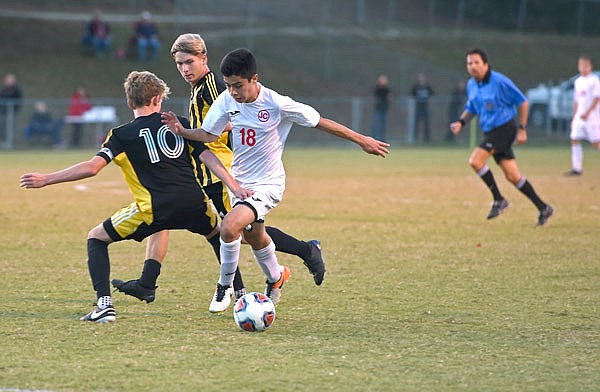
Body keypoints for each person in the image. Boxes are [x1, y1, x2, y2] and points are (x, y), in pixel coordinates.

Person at [161, 48, 389, 310]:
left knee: (228, 227)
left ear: (254, 79)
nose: (233, 92)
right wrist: (183, 131)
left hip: (268, 184)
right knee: (256, 238)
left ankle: (225, 287)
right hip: (240, 183)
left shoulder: (277, 103)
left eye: (238, 85)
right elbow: (209, 135)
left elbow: (320, 122)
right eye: (228, 85)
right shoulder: (226, 100)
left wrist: (362, 140)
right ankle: (277, 277)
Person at [113, 33, 326, 313]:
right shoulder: (199, 88)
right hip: (207, 171)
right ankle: (151, 282)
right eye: (179, 64)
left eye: (189, 62)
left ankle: (297, 255)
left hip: (223, 169)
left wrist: (197, 130)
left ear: (203, 59)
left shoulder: (215, 87)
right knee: (223, 228)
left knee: (239, 230)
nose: (184, 69)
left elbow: (230, 120)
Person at [20, 70, 252, 323]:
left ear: (130, 102)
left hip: (155, 207)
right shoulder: (178, 122)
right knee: (219, 237)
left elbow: (92, 167)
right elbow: (208, 157)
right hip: (194, 202)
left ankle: (105, 305)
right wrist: (235, 186)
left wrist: (46, 179)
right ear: (156, 99)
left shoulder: (121, 135)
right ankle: (240, 294)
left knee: (96, 238)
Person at [449, 48, 554, 226]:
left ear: (486, 65)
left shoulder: (500, 82)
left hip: (505, 129)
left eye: (476, 62)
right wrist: (461, 122)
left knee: (475, 161)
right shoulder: (471, 84)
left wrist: (522, 128)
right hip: (491, 132)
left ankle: (499, 200)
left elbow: (522, 101)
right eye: (469, 63)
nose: (473, 66)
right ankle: (544, 208)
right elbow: (472, 107)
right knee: (513, 176)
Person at [565, 54, 600, 176]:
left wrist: (588, 113)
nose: (583, 68)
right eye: (581, 65)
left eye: (585, 65)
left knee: (596, 143)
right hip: (579, 117)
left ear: (590, 66)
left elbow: (597, 98)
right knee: (575, 139)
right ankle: (577, 169)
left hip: (592, 117)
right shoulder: (578, 81)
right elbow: (576, 101)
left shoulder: (594, 80)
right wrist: (574, 116)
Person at [0, 73, 23, 148]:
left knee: (10, 128)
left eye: (10, 80)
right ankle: (3, 142)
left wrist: (15, 110)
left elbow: (18, 100)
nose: (8, 81)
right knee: (2, 127)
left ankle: (10, 144)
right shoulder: (4, 89)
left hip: (12, 113)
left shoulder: (16, 90)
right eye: (7, 80)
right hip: (3, 112)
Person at [411, 73, 433, 143]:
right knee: (416, 124)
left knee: (426, 124)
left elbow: (432, 94)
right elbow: (412, 94)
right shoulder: (416, 87)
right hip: (418, 108)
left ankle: (427, 139)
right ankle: (415, 139)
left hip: (425, 108)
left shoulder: (427, 86)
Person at [371, 75, 392, 142]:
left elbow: (390, 96)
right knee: (375, 125)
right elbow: (376, 94)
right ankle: (373, 138)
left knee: (383, 126)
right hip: (378, 109)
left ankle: (382, 139)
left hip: (384, 109)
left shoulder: (387, 89)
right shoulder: (378, 88)